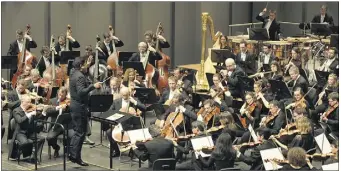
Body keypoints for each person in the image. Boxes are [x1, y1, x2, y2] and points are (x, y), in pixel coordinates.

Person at [68, 57, 102, 166]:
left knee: (78, 131)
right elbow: (81, 92)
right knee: (80, 132)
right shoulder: (80, 77)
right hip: (79, 106)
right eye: (85, 64)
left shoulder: (73, 73)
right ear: (81, 66)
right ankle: (75, 156)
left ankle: (72, 154)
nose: (87, 66)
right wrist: (93, 86)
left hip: (74, 105)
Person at [8, 95, 45, 163]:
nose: (30, 104)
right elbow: (20, 120)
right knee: (26, 142)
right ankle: (25, 154)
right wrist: (29, 114)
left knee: (41, 139)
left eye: (30, 102)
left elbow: (38, 117)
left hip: (29, 132)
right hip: (20, 132)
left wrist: (44, 113)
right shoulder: (16, 110)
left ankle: (34, 156)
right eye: (28, 102)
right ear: (22, 102)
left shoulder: (30, 109)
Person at [45, 87, 74, 158]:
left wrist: (68, 107)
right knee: (49, 138)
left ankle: (68, 151)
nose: (60, 96)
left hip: (67, 125)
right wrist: (59, 107)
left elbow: (73, 112)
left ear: (66, 95)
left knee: (72, 135)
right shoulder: (52, 101)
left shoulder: (69, 102)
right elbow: (48, 111)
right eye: (59, 95)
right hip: (56, 125)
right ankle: (56, 148)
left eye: (62, 95)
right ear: (57, 93)